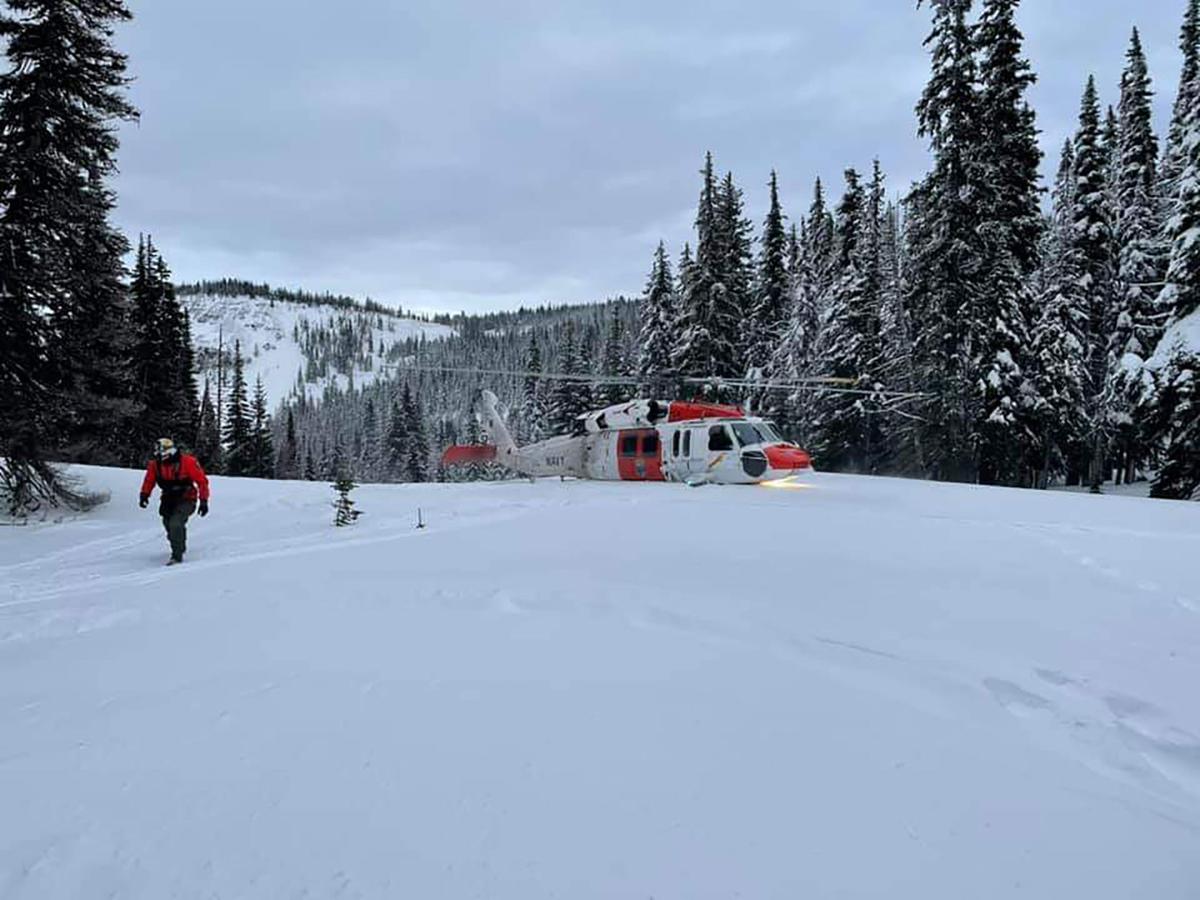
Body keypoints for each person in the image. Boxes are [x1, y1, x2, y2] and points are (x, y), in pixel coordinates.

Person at [139, 438, 210, 565]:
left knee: (175, 523)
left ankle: (177, 555)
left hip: (187, 498)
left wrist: (203, 501)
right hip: (168, 499)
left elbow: (202, 482)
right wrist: (144, 494)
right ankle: (178, 544)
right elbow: (149, 480)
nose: (157, 453)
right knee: (168, 523)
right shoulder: (155, 465)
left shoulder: (188, 462)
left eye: (159, 450)